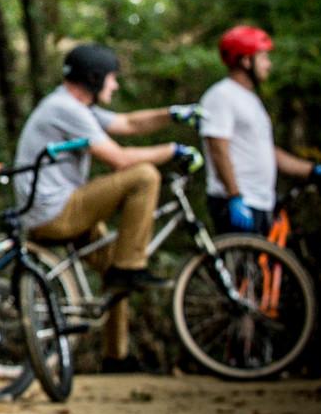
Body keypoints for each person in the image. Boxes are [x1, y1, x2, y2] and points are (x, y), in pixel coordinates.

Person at [13, 44, 202, 371]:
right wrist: (173, 149)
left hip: (56, 208)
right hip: (55, 212)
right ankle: (130, 267)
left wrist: (171, 114)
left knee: (113, 270)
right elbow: (120, 159)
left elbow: (128, 124)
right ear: (94, 78)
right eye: (112, 79)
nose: (114, 86)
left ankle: (117, 356)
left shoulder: (75, 106)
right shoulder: (66, 109)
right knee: (143, 175)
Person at [200, 25, 321, 235]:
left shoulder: (252, 101)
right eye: (263, 57)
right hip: (236, 202)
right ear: (245, 60)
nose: (269, 64)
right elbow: (218, 148)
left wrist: (313, 171)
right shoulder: (221, 96)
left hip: (262, 202)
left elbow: (266, 152)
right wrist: (234, 196)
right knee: (239, 267)